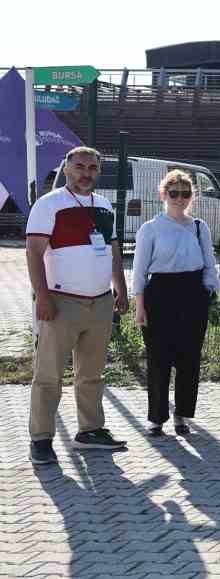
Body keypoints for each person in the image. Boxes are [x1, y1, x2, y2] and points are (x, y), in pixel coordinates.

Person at [26, 146, 130, 465]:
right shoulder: (50, 204)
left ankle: (90, 431)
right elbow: (32, 252)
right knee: (48, 375)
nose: (86, 173)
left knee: (92, 374)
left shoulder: (103, 205)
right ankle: (41, 439)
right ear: (67, 170)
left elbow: (113, 251)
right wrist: (42, 297)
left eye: (93, 168)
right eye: (80, 167)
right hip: (60, 302)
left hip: (99, 302)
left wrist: (121, 289)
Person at [131, 168, 220, 437]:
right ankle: (157, 418)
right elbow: (139, 270)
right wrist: (139, 306)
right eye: (174, 193)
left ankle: (183, 415)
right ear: (163, 194)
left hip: (192, 294)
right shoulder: (151, 229)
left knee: (189, 359)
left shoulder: (198, 227)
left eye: (185, 193)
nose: (180, 198)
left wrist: (209, 291)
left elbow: (208, 262)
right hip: (160, 293)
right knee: (158, 359)